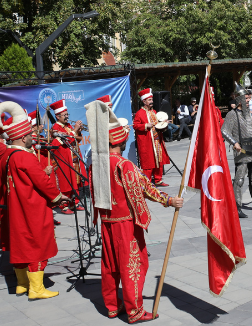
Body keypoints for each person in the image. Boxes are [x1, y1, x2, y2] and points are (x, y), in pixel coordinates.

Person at [97, 113, 183, 322]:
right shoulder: (123, 165)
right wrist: (169, 200)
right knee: (133, 266)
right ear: (121, 141)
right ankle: (134, 310)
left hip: (107, 222)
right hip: (126, 223)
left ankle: (112, 306)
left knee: (110, 266)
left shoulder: (97, 164)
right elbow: (144, 187)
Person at [0, 101, 69, 300]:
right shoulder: (25, 157)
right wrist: (58, 197)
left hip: (16, 207)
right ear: (22, 137)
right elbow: (43, 182)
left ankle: (22, 284)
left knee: (20, 245)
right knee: (37, 245)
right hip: (31, 208)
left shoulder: (7, 156)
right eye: (29, 135)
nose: (31, 137)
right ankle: (36, 289)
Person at [221, 85, 252, 218]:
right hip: (241, 150)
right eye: (246, 99)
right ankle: (236, 207)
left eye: (249, 99)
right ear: (239, 100)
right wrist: (234, 142)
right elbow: (224, 131)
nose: (248, 101)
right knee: (240, 179)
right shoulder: (231, 115)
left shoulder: (248, 113)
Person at [49, 99, 86, 213]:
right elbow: (67, 140)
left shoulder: (68, 126)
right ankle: (63, 205)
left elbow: (77, 138)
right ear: (57, 116)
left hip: (74, 158)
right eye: (64, 115)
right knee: (66, 181)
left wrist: (77, 131)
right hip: (64, 159)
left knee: (75, 180)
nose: (66, 117)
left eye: (67, 114)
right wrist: (74, 131)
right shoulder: (56, 128)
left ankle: (73, 203)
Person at [132, 89, 170, 187]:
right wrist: (145, 126)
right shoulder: (139, 113)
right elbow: (135, 125)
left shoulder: (154, 112)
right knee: (148, 162)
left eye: (152, 99)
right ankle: (147, 183)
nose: (151, 101)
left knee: (159, 161)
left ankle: (158, 180)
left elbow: (158, 125)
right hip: (147, 142)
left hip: (157, 141)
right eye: (149, 100)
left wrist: (164, 123)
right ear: (144, 101)